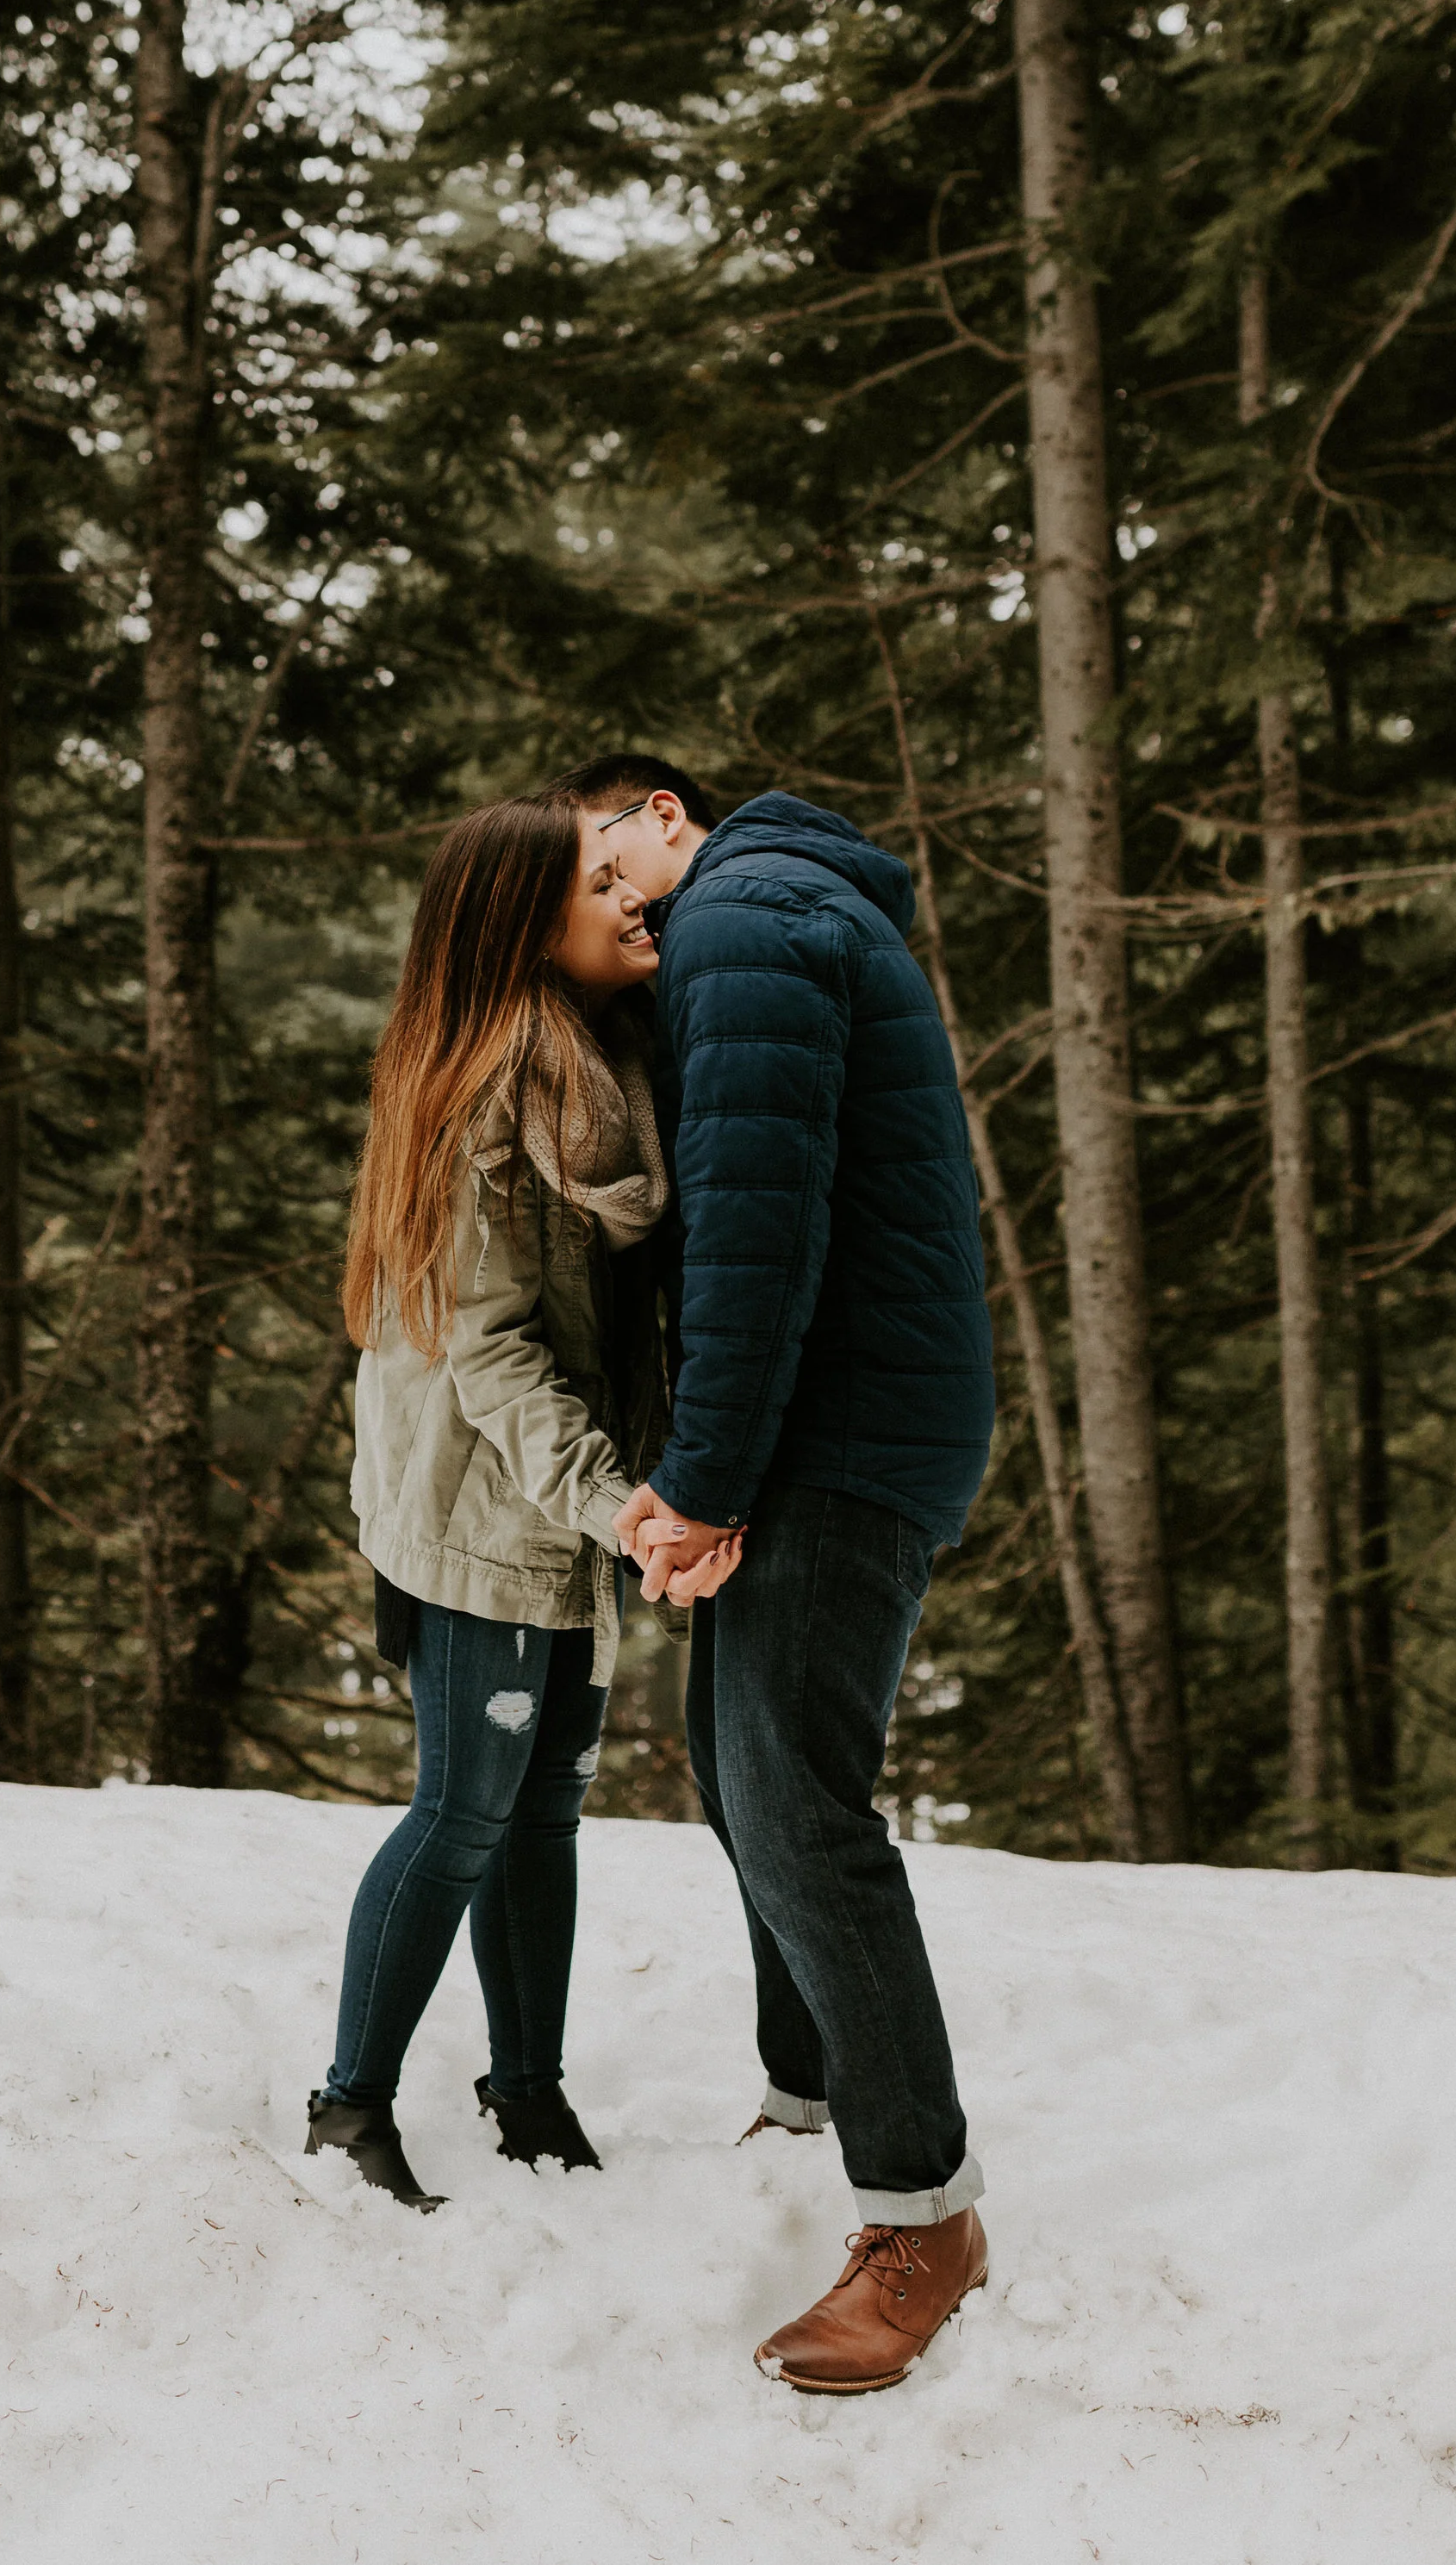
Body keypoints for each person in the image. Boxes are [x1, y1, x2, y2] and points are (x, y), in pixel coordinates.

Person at [543, 752, 998, 2393]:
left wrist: (704, 1482)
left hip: (840, 1428)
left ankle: (921, 2218)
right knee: (737, 1781)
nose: (603, 905)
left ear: (665, 816)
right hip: (848, 1414)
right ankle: (806, 2095)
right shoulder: (781, 916)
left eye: (602, 858)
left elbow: (759, 1228)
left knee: (796, 1800)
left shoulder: (741, 920)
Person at [308, 795, 736, 2208]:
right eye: (598, 884)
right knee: (465, 1805)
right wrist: (617, 1502)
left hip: (552, 1488)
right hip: (481, 1495)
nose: (633, 900)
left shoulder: (594, 1061)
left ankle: (527, 2085)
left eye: (627, 873)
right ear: (525, 929)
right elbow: (489, 1346)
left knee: (545, 1805)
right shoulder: (500, 1089)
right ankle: (348, 2110)